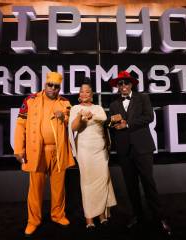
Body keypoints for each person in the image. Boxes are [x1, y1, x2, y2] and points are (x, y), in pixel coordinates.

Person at [107, 71, 172, 236]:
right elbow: (113, 124)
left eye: (126, 83)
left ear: (131, 84)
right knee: (131, 187)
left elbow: (149, 117)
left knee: (149, 184)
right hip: (124, 150)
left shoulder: (143, 98)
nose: (123, 86)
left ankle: (159, 218)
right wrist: (112, 125)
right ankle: (138, 216)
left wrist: (127, 124)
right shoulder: (114, 104)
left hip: (142, 148)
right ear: (117, 86)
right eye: (120, 84)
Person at [14, 72, 75, 237]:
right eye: (50, 85)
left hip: (59, 151)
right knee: (35, 189)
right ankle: (33, 221)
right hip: (37, 151)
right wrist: (19, 149)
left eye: (56, 87)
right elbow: (20, 125)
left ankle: (58, 215)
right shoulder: (31, 100)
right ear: (45, 84)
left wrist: (64, 117)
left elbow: (72, 119)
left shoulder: (65, 102)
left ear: (59, 88)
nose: (53, 89)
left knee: (59, 188)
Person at [69, 79, 117, 231]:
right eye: (81, 91)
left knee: (103, 180)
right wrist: (81, 117)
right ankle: (89, 217)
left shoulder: (98, 108)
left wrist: (91, 116)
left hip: (100, 150)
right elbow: (74, 127)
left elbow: (103, 121)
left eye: (87, 91)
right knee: (87, 183)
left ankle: (102, 214)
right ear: (79, 94)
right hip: (84, 150)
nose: (84, 94)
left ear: (92, 94)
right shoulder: (75, 108)